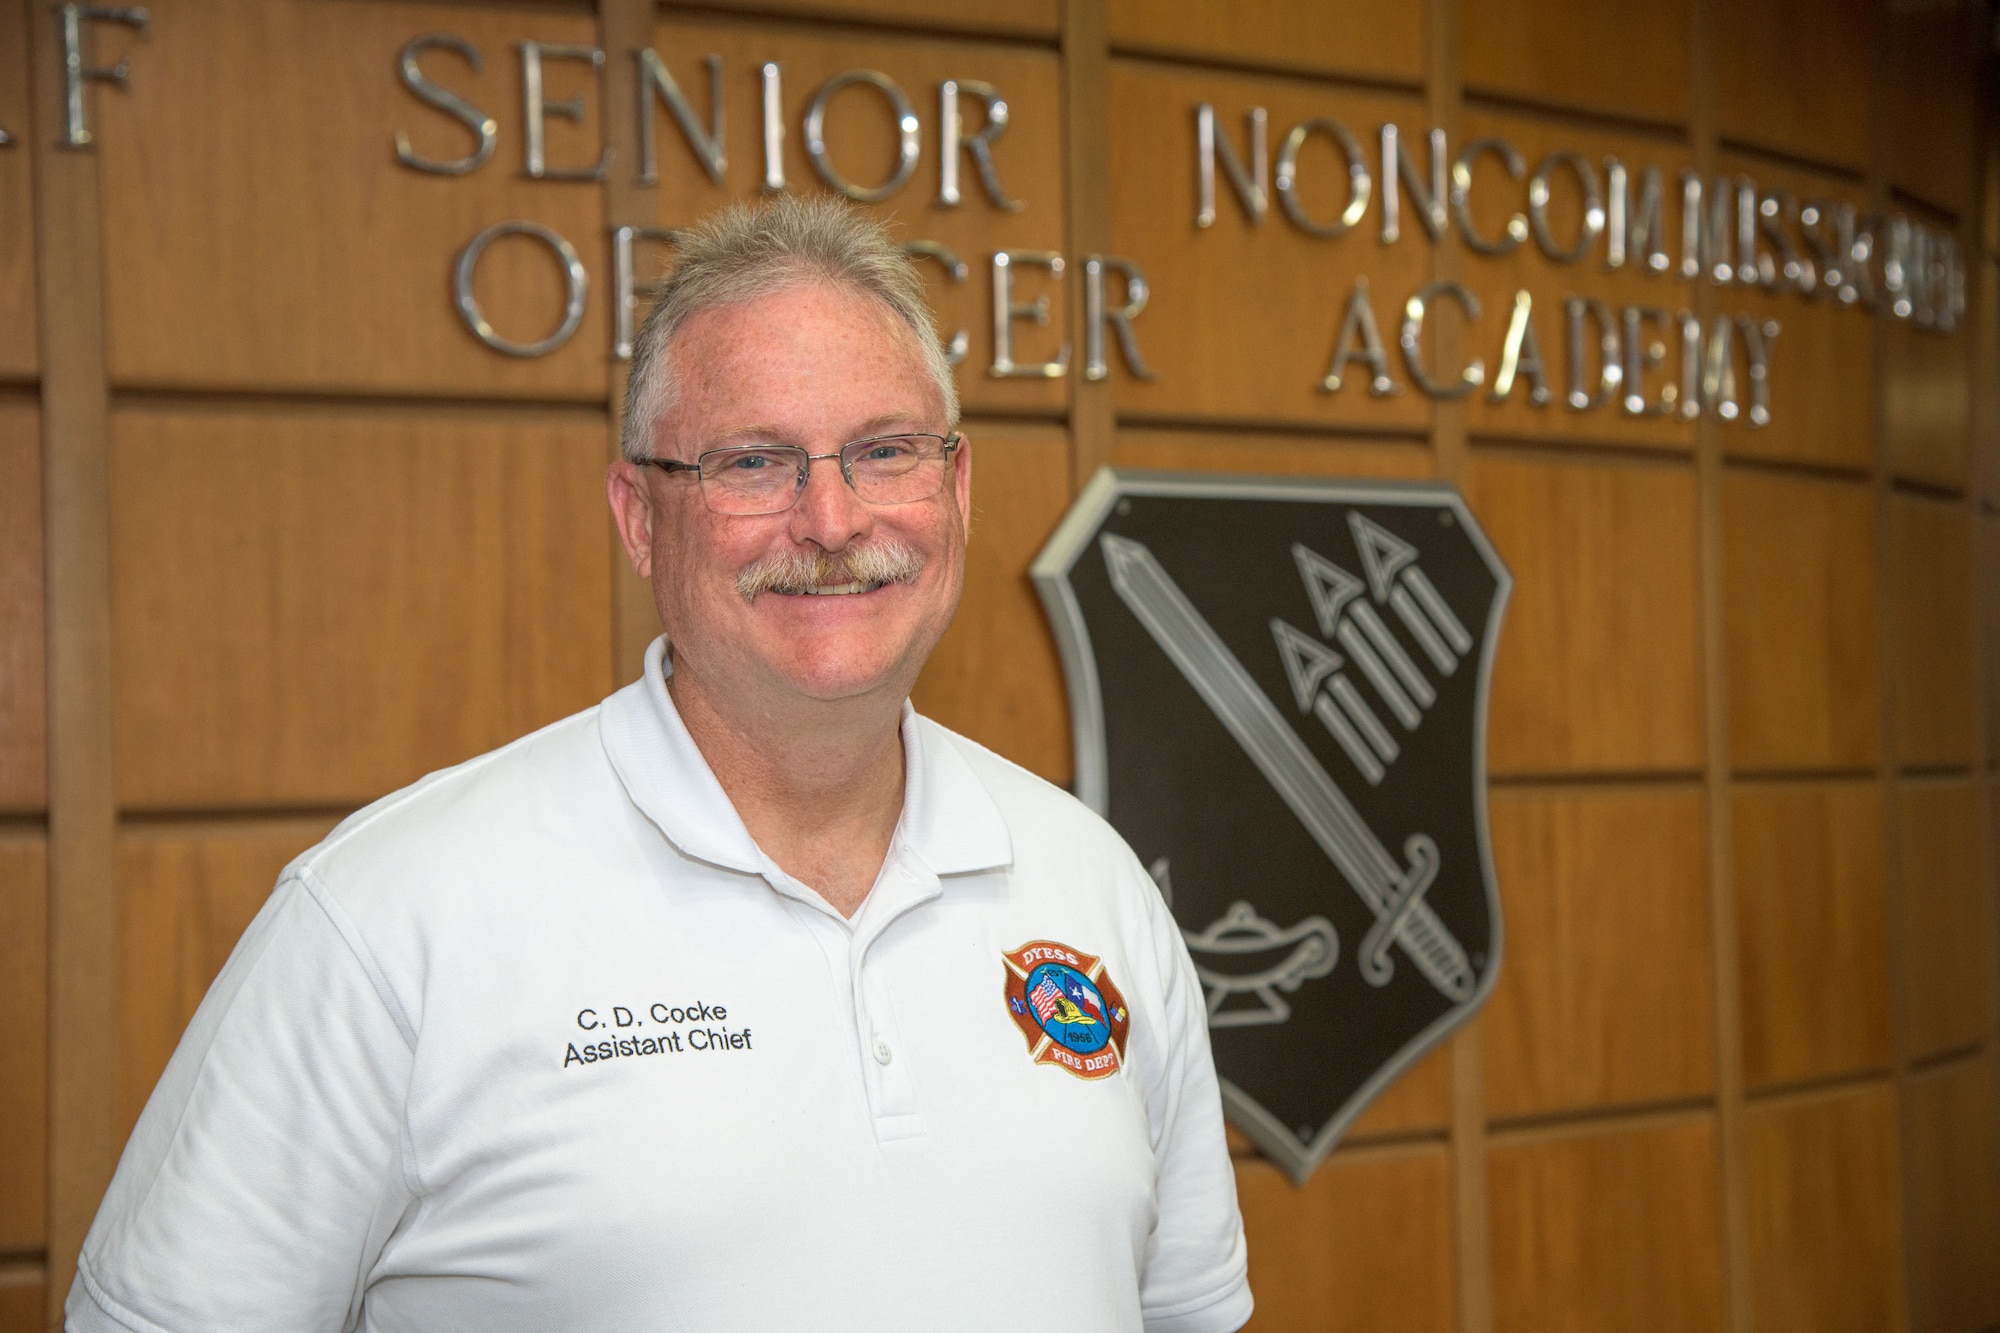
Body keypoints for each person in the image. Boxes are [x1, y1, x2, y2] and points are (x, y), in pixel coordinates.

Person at [66, 196, 1251, 1333]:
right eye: (751, 463)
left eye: (883, 451)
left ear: (957, 485)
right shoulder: (389, 918)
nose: (831, 521)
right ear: (639, 517)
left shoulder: (1089, 881)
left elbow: (1183, 1315)